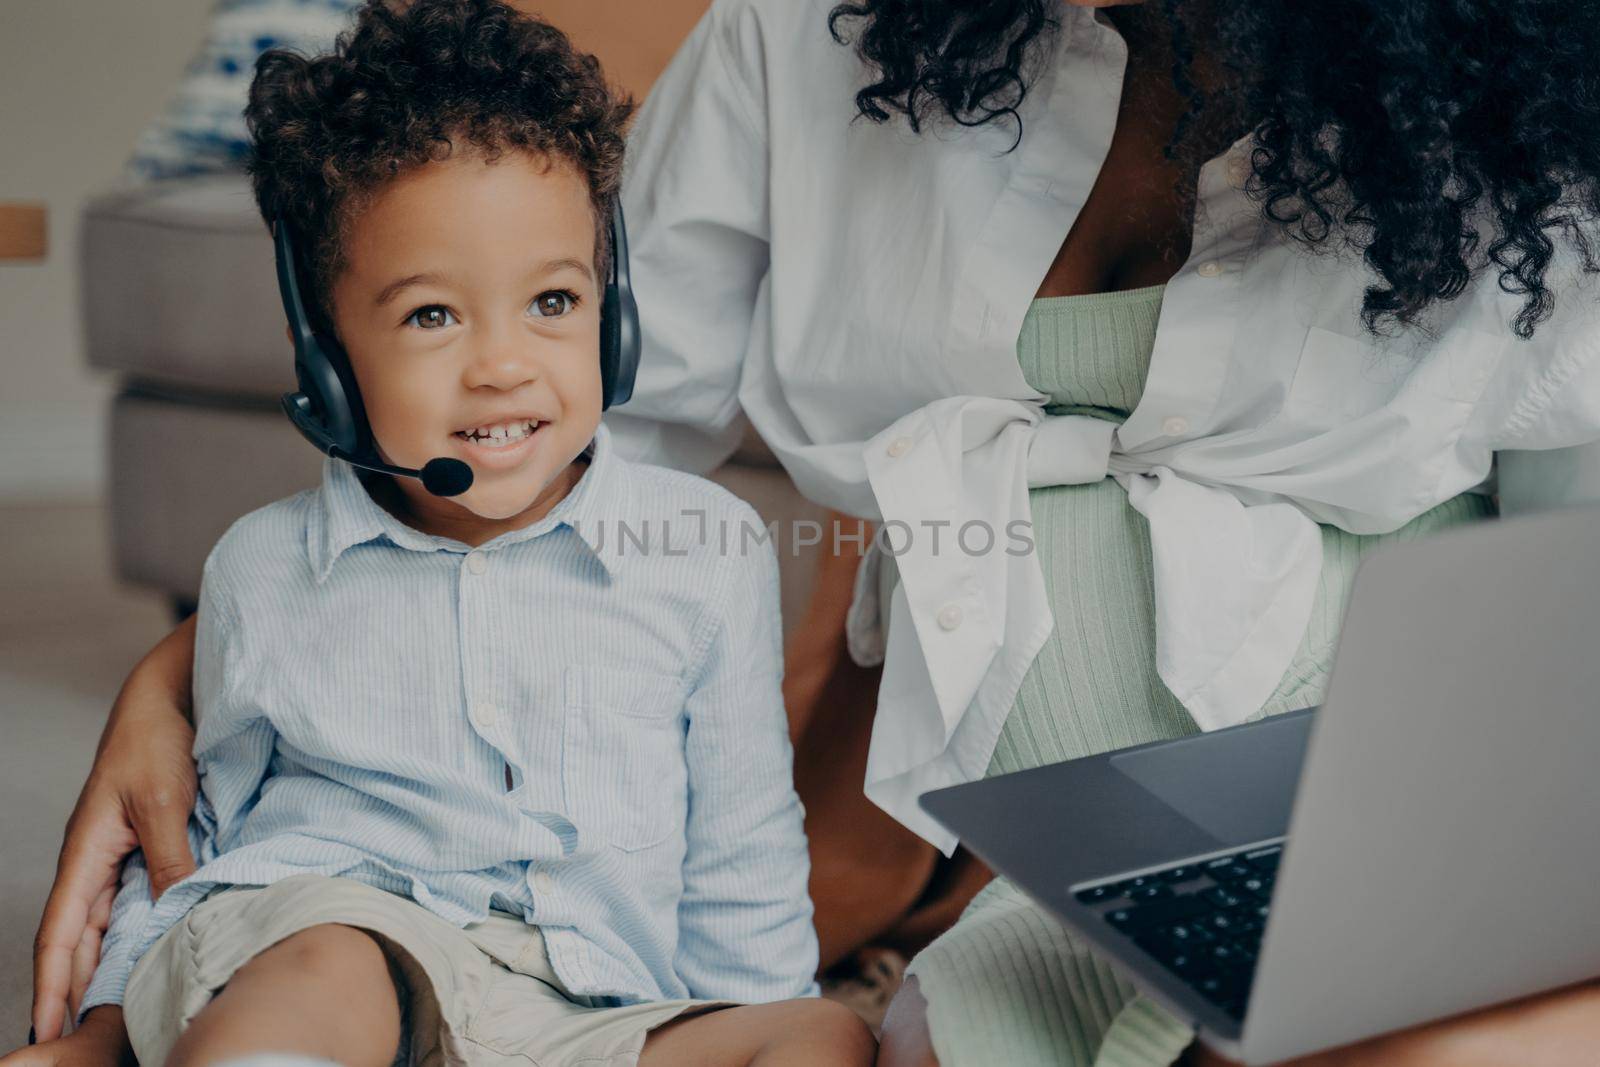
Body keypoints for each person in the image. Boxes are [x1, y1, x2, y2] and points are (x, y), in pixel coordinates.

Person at [30, 0, 1600, 1063]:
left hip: (1362, 817)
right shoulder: (807, 35)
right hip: (997, 861)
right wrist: (193, 668)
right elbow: (553, 433)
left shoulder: (1528, 134)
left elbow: (1558, 587)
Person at [5, 3, 875, 1066]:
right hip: (341, 939)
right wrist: (101, 1032)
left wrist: (752, 1013)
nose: (503, 364)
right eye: (431, 316)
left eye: (553, 298)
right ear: (324, 351)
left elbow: (740, 848)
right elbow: (191, 843)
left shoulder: (709, 551)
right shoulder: (260, 566)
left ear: (615, 314)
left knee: (823, 1033)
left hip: (584, 1004)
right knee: (327, 957)